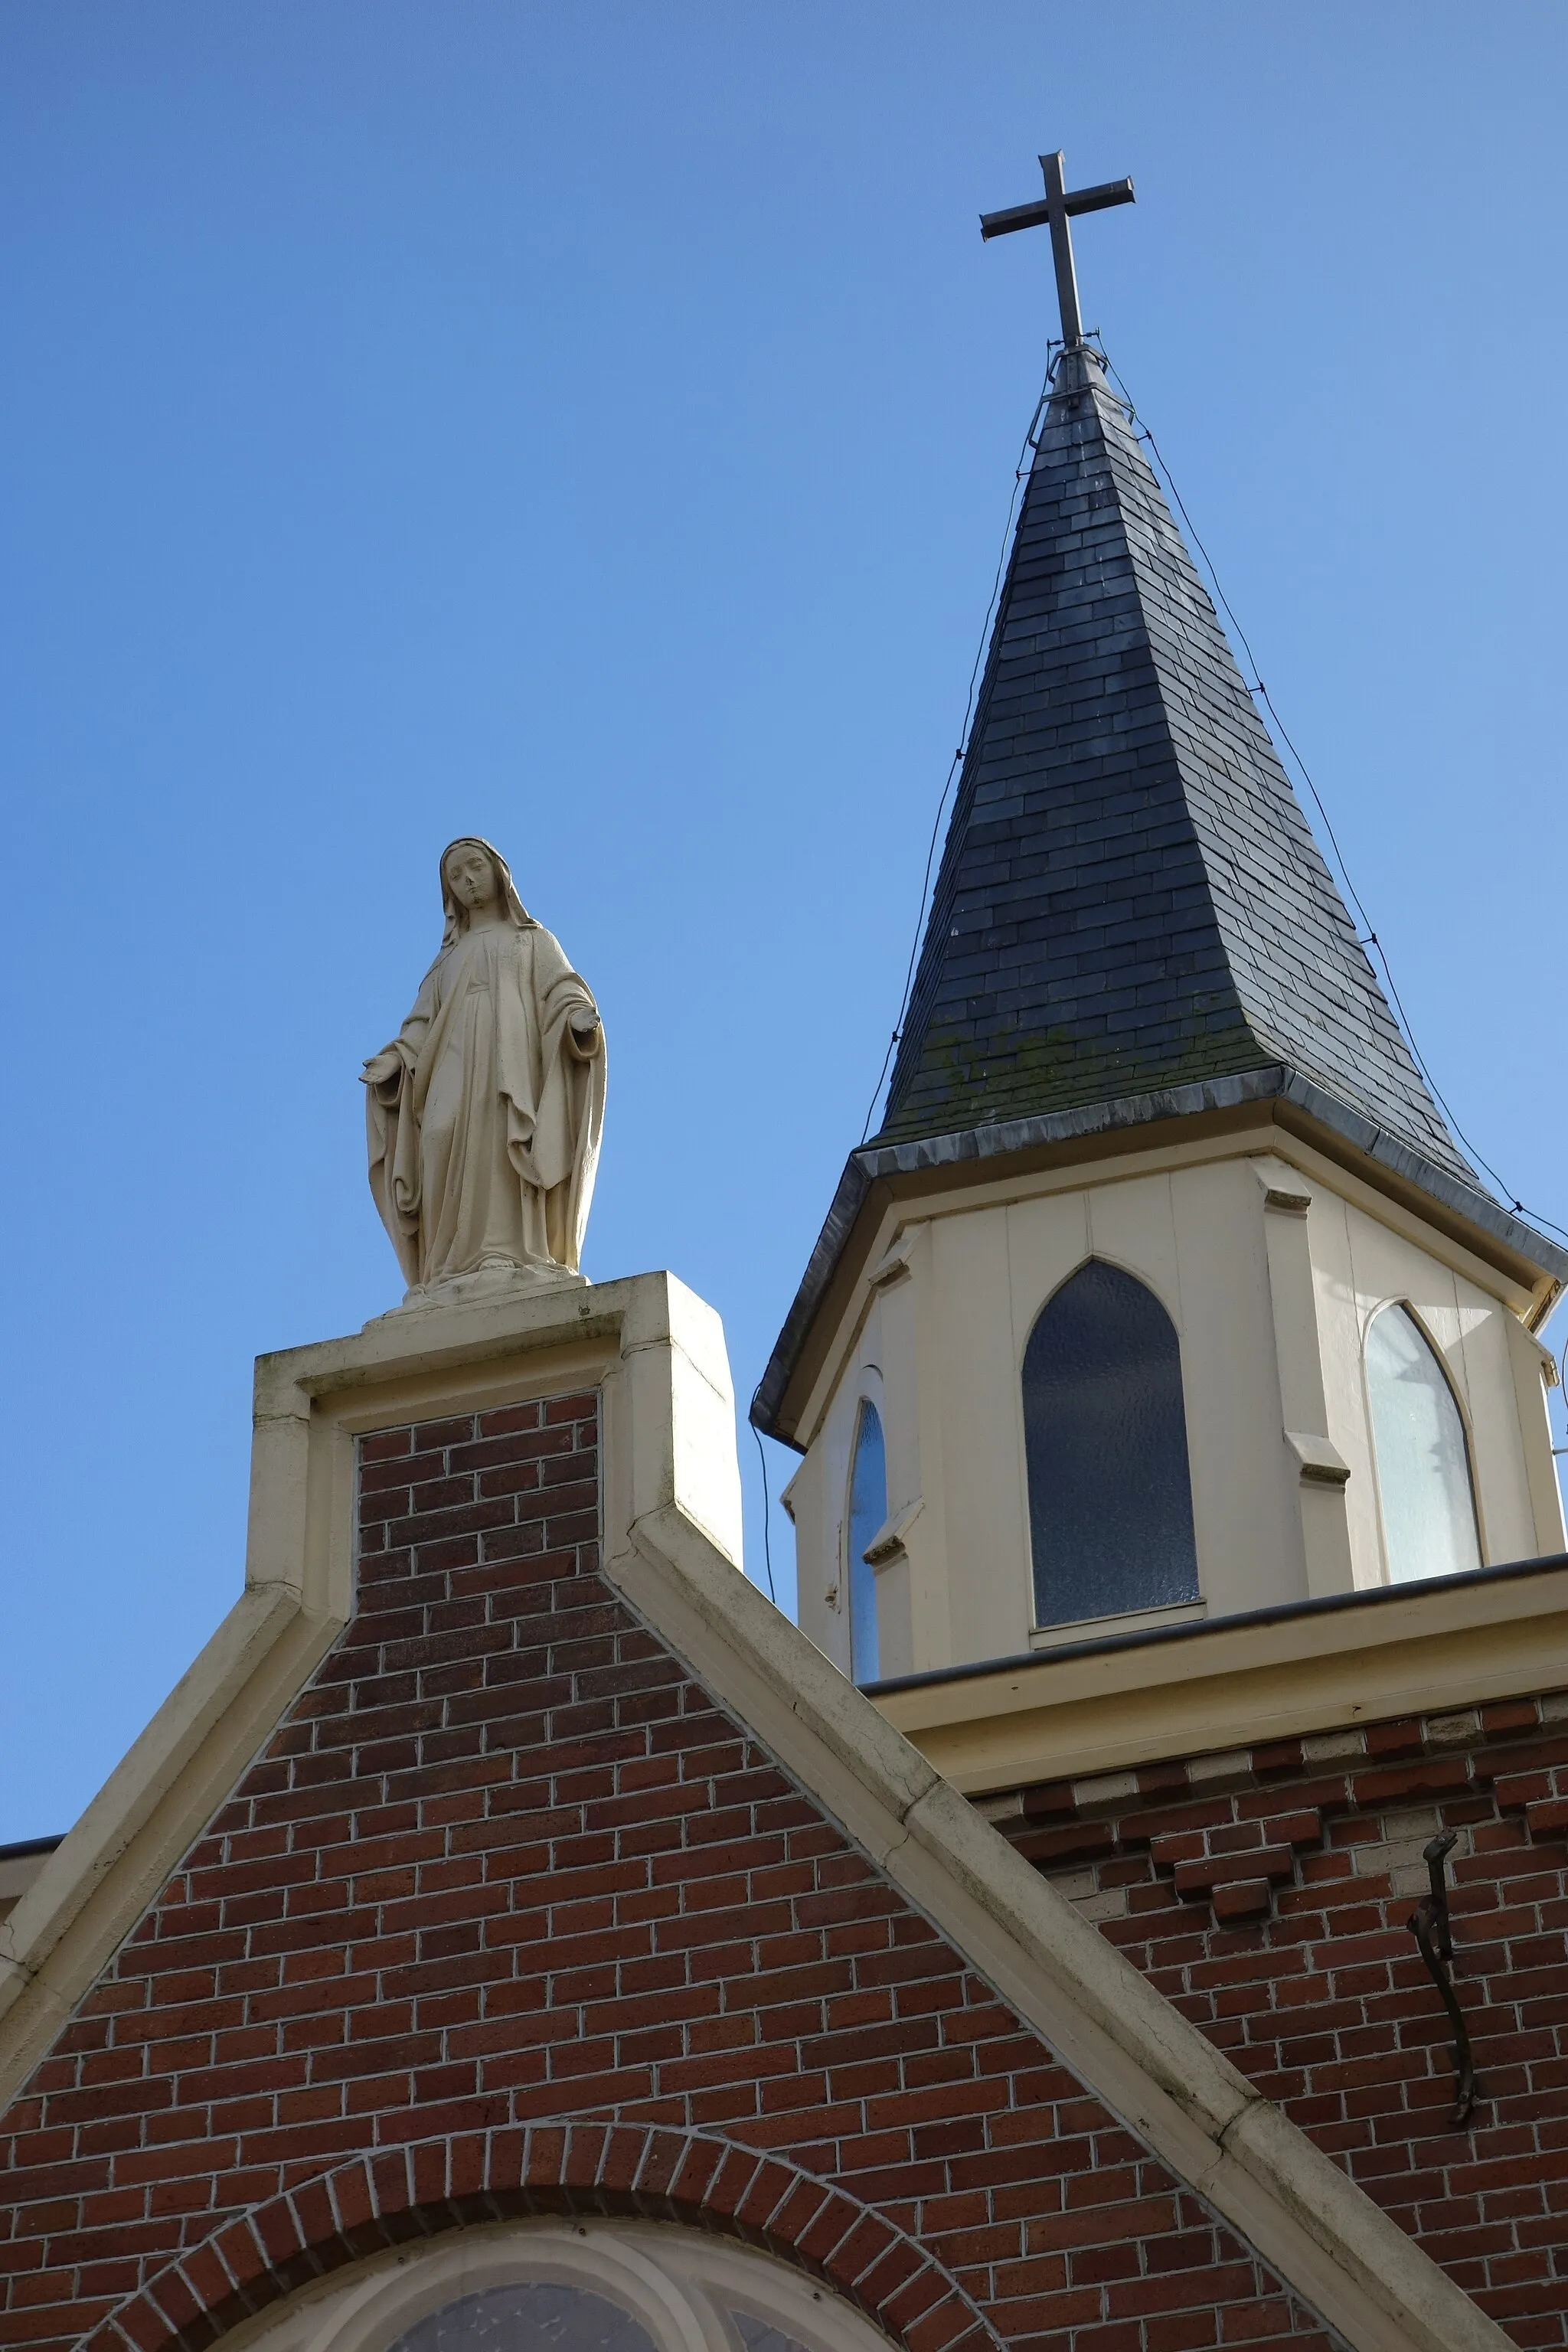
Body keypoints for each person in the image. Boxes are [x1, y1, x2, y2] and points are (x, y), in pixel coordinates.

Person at [363, 838, 605, 1292]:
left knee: (501, 1137)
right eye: (455, 876)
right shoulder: (447, 961)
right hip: (451, 1058)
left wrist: (576, 1018)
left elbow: (562, 991)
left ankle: (507, 1252)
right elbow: (420, 1024)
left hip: (510, 1057)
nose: (467, 880)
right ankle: (445, 1266)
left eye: (474, 867)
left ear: (499, 872)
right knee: (437, 1134)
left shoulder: (532, 940)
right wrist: (395, 1060)